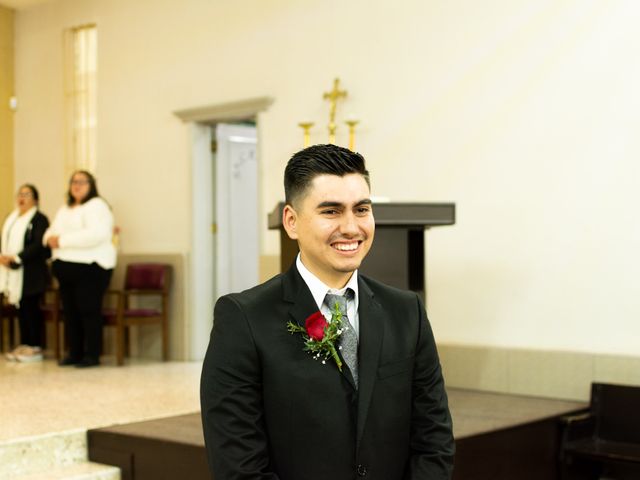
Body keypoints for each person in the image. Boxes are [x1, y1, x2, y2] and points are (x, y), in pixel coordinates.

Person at [200, 144, 455, 480]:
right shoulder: (244, 319)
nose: (351, 228)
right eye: (331, 211)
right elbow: (239, 465)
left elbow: (434, 439)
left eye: (361, 209)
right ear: (291, 222)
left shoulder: (407, 312)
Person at [43, 170, 116, 368]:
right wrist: (48, 238)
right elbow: (52, 230)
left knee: (88, 311)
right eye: (74, 181)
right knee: (70, 312)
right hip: (65, 267)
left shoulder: (97, 206)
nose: (77, 185)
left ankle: (92, 355)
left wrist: (62, 240)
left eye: (82, 182)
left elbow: (96, 234)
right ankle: (74, 353)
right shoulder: (65, 208)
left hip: (90, 268)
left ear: (91, 185)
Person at [0, 184, 50, 362]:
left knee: (31, 308)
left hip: (32, 272)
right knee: (21, 309)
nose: (22, 198)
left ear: (35, 199)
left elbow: (37, 245)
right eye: (20, 194)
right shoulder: (12, 218)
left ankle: (35, 346)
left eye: (27, 194)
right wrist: (5, 257)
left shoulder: (39, 219)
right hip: (14, 271)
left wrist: (17, 257)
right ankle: (24, 343)